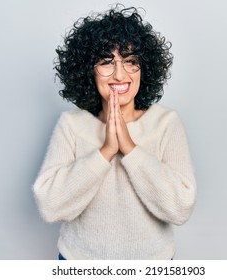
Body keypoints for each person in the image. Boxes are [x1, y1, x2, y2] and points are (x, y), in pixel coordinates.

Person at [33, 4, 197, 260]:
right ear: (89, 69)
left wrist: (130, 149)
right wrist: (106, 151)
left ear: (144, 68)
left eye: (130, 61)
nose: (119, 74)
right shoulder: (72, 124)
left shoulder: (166, 123)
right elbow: (50, 206)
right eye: (106, 62)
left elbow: (180, 208)